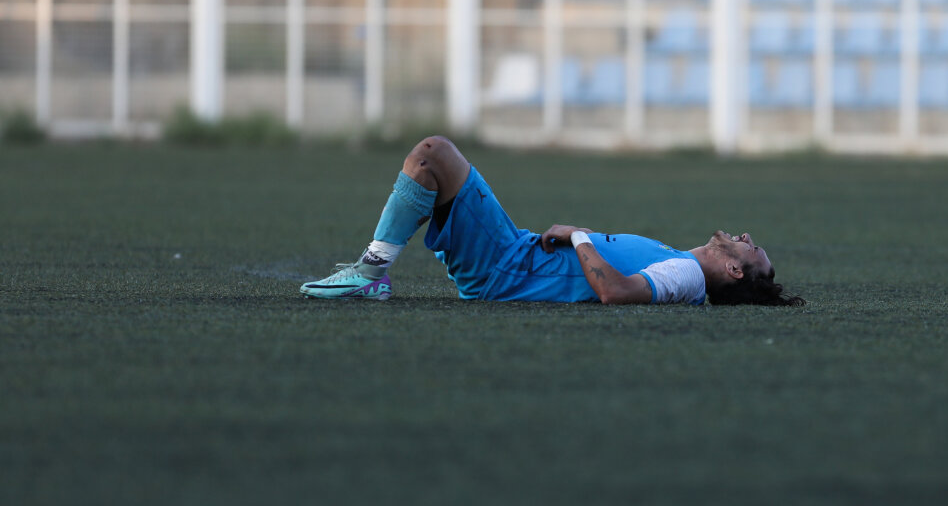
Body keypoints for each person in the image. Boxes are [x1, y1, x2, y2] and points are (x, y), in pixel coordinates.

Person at [300, 136, 803, 307]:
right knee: (432, 162)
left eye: (751, 247)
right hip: (514, 255)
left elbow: (616, 293)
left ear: (734, 270)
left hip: (508, 266)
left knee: (433, 154)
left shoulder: (688, 275)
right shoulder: (678, 261)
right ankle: (372, 270)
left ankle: (370, 273)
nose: (745, 237)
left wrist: (578, 234)